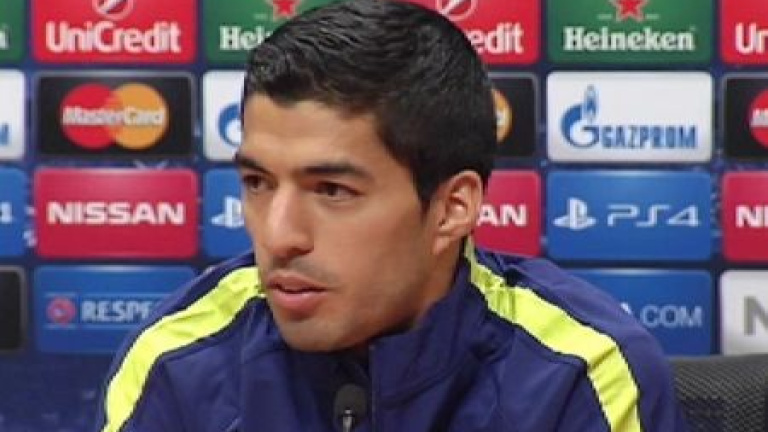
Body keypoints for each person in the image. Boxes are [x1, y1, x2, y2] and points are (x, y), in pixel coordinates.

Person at [93, 0, 689, 431]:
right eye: (257, 183)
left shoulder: (576, 373)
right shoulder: (177, 362)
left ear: (453, 207)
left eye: (332, 191)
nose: (278, 235)